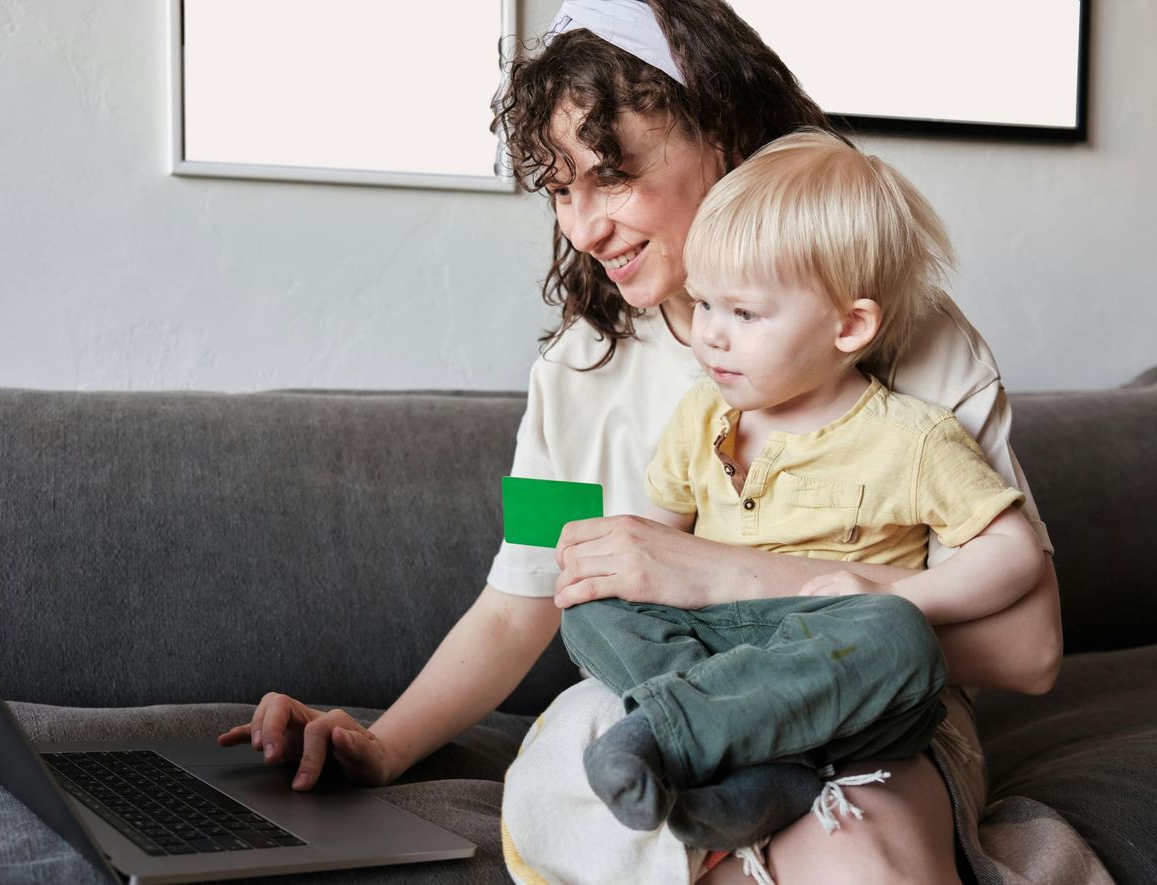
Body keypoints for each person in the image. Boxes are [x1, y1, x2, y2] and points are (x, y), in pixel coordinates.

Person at [218, 2, 1063, 881]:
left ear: (723, 134)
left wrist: (716, 577)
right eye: (558, 187)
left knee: (850, 846)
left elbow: (1029, 647)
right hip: (665, 711)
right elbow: (524, 596)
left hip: (877, 719)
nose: (583, 228)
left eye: (611, 176)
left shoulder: (910, 338)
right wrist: (381, 745)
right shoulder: (574, 372)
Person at [557, 128, 1045, 854]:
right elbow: (652, 554)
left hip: (843, 671)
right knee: (590, 599)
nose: (712, 337)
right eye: (705, 304)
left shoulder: (911, 437)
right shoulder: (703, 416)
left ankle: (685, 731)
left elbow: (1017, 555)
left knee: (900, 638)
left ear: (850, 325)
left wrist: (898, 598)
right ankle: (750, 757)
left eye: (744, 314)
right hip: (727, 653)